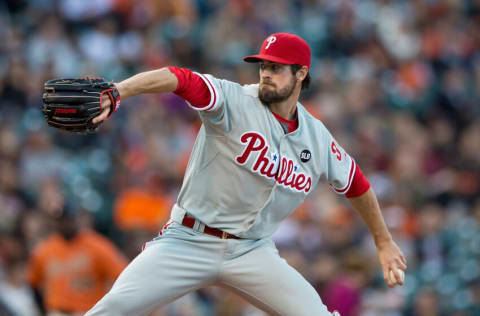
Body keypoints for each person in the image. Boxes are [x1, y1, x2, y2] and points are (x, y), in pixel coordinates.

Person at [86, 33, 407, 316]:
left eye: (276, 68)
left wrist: (383, 241)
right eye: (263, 66)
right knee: (112, 310)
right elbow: (179, 78)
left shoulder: (316, 136)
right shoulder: (233, 100)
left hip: (252, 251)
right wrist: (119, 91)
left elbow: (356, 184)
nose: (266, 74)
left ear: (301, 73)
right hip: (187, 240)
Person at [27, 205, 127, 316]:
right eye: (60, 221)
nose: (64, 224)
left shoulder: (98, 246)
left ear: (76, 219)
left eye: (67, 220)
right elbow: (33, 283)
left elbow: (122, 275)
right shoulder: (45, 250)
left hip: (88, 311)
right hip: (57, 311)